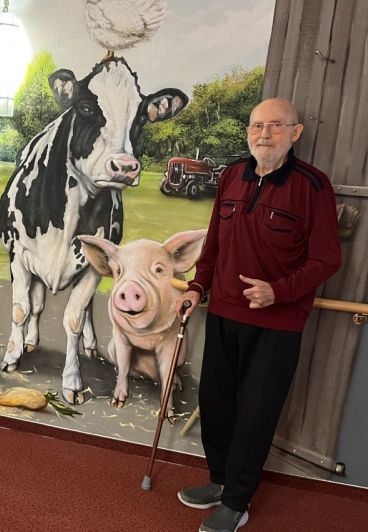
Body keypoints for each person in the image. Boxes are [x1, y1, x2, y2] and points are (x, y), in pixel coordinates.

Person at [175, 98, 341, 532]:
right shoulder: (232, 175)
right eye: (256, 126)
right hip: (223, 313)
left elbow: (327, 259)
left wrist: (278, 291)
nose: (264, 134)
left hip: (277, 324)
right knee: (215, 404)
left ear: (295, 133)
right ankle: (219, 481)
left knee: (255, 414)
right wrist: (197, 287)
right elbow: (214, 244)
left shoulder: (313, 185)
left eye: (275, 126)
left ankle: (237, 502)